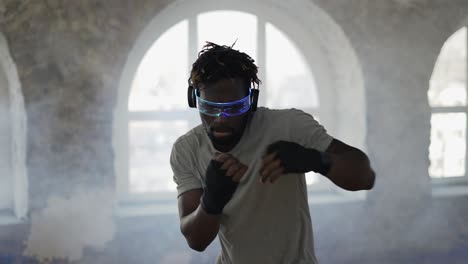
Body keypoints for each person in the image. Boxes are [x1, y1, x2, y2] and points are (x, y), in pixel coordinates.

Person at [170, 41, 376, 264]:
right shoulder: (187, 149)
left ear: (251, 101)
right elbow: (196, 241)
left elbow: (365, 177)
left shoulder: (289, 126)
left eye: (234, 108)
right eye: (209, 108)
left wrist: (316, 160)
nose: (221, 120)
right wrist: (212, 200)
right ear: (194, 100)